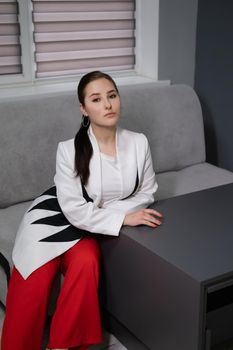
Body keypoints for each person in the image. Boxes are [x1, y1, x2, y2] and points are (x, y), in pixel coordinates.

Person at [1, 71, 163, 350]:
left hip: (91, 222)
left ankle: (63, 345)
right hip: (54, 216)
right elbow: (74, 209)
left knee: (87, 262)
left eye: (112, 96)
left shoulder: (139, 143)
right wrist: (121, 216)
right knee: (34, 275)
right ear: (84, 109)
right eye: (97, 99)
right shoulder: (68, 150)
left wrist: (109, 213)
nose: (108, 105)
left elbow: (147, 191)